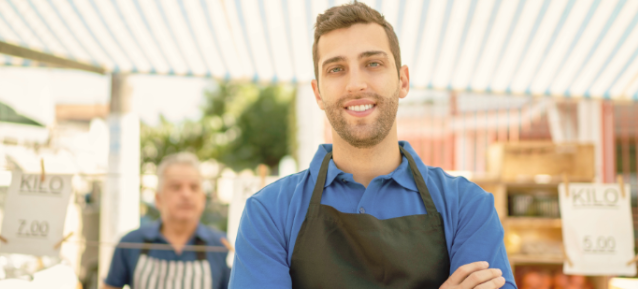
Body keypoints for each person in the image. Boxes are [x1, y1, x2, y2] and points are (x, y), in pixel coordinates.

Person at [229, 2, 516, 289]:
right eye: (336, 69)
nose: (356, 84)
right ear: (318, 93)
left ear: (402, 80)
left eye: (373, 64)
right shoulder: (269, 212)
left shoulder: (467, 206)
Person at [104, 153, 230, 289]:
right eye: (176, 187)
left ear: (203, 199)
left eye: (194, 187)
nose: (186, 194)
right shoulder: (130, 242)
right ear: (158, 199)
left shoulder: (221, 245)